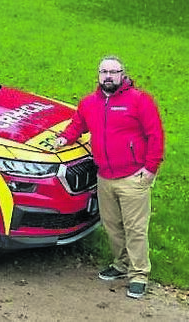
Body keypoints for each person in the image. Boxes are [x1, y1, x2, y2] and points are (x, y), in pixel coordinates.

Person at [54, 56, 164, 299]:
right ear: (98, 75)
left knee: (135, 228)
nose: (109, 76)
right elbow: (77, 125)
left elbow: (155, 136)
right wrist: (64, 138)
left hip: (134, 177)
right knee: (112, 226)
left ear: (123, 74)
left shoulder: (139, 101)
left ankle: (139, 275)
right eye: (104, 71)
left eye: (114, 72)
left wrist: (150, 170)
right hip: (104, 176)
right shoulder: (89, 103)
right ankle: (121, 264)